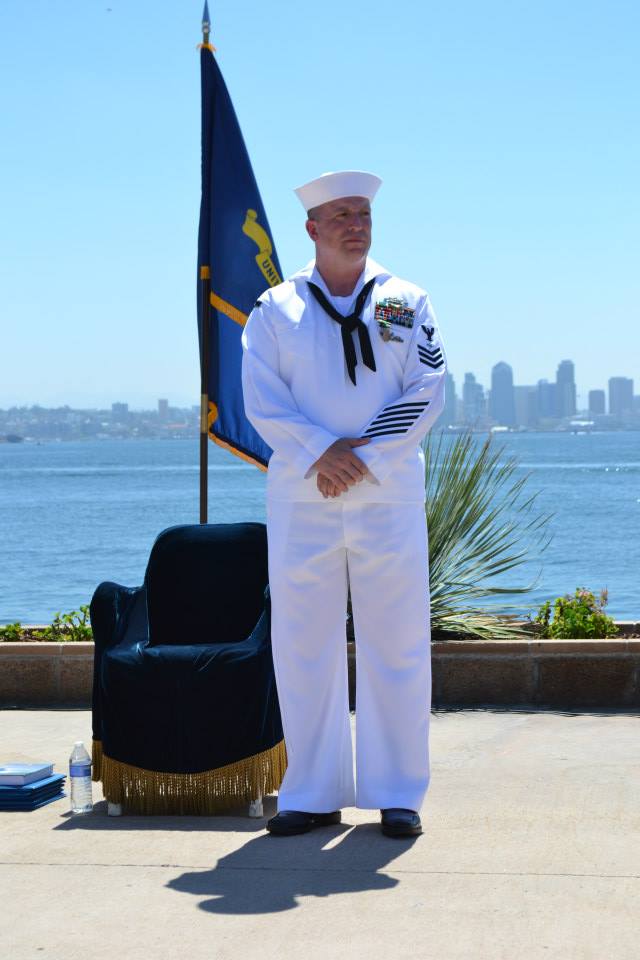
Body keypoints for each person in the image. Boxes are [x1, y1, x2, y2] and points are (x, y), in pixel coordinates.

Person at [241, 170, 446, 837]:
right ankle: (310, 791)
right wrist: (321, 452)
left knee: (397, 641)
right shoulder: (275, 309)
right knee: (304, 642)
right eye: (341, 215)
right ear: (312, 229)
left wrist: (362, 456)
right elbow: (263, 401)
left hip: (384, 493)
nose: (356, 224)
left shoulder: (406, 300)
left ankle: (397, 792)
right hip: (306, 495)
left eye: (363, 213)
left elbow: (428, 388)